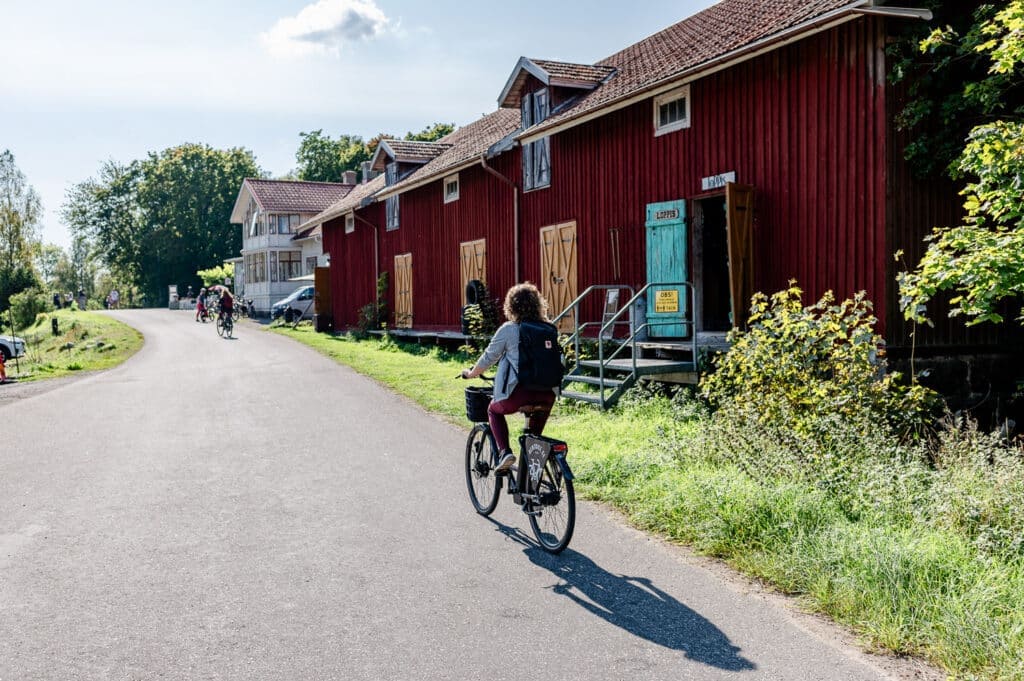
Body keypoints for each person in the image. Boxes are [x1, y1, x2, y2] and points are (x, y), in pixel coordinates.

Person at [461, 282, 557, 472]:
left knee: (493, 410)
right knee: (534, 441)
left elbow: (489, 357)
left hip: (517, 394)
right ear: (538, 304)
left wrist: (471, 373)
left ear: (510, 306)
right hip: (548, 394)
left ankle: (505, 452)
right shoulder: (549, 329)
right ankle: (531, 486)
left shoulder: (509, 329)